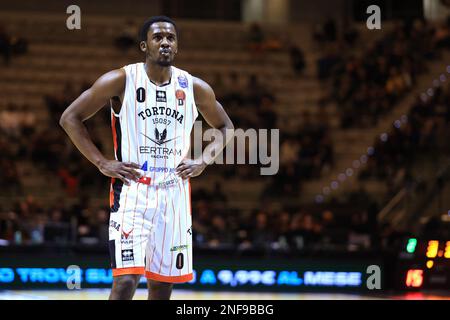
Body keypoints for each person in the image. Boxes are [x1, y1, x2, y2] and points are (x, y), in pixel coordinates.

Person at [60, 16, 234, 300]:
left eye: (171, 38)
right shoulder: (120, 79)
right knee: (126, 281)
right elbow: (70, 118)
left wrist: (203, 160)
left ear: (176, 47)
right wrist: (101, 162)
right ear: (144, 45)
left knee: (162, 285)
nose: (165, 42)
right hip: (132, 191)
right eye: (158, 37)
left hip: (174, 193)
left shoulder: (194, 87)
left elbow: (226, 126)